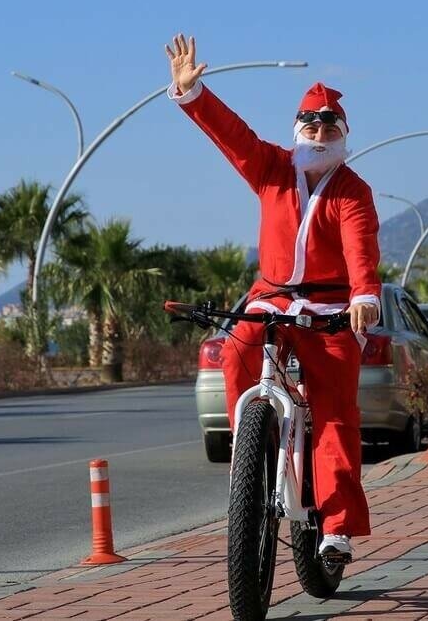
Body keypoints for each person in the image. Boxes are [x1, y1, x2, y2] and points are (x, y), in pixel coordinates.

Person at [165, 32, 381, 561]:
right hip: (272, 296)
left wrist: (365, 296)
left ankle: (337, 527)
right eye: (310, 122)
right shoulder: (271, 169)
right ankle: (250, 453)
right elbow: (233, 136)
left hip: (331, 308)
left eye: (329, 123)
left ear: (343, 133)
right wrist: (195, 94)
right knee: (237, 345)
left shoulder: (352, 191)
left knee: (333, 412)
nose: (319, 129)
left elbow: (360, 250)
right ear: (297, 130)